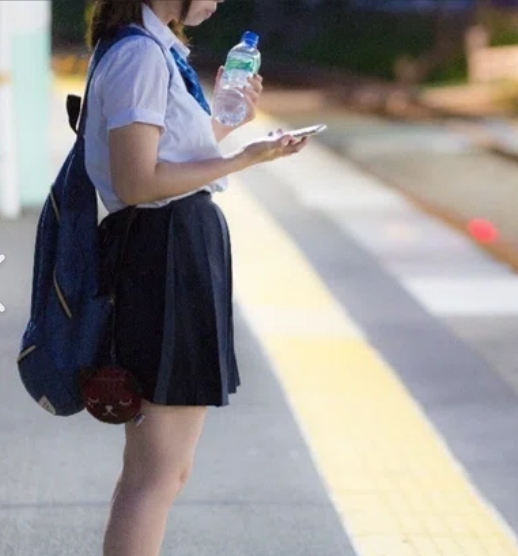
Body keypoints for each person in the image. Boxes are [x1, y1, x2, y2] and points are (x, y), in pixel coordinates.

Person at [83, 1, 309, 555]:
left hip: (171, 250)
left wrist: (227, 125)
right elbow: (138, 182)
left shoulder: (151, 50)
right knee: (155, 475)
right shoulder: (140, 56)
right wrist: (243, 159)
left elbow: (170, 151)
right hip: (164, 255)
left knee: (160, 472)